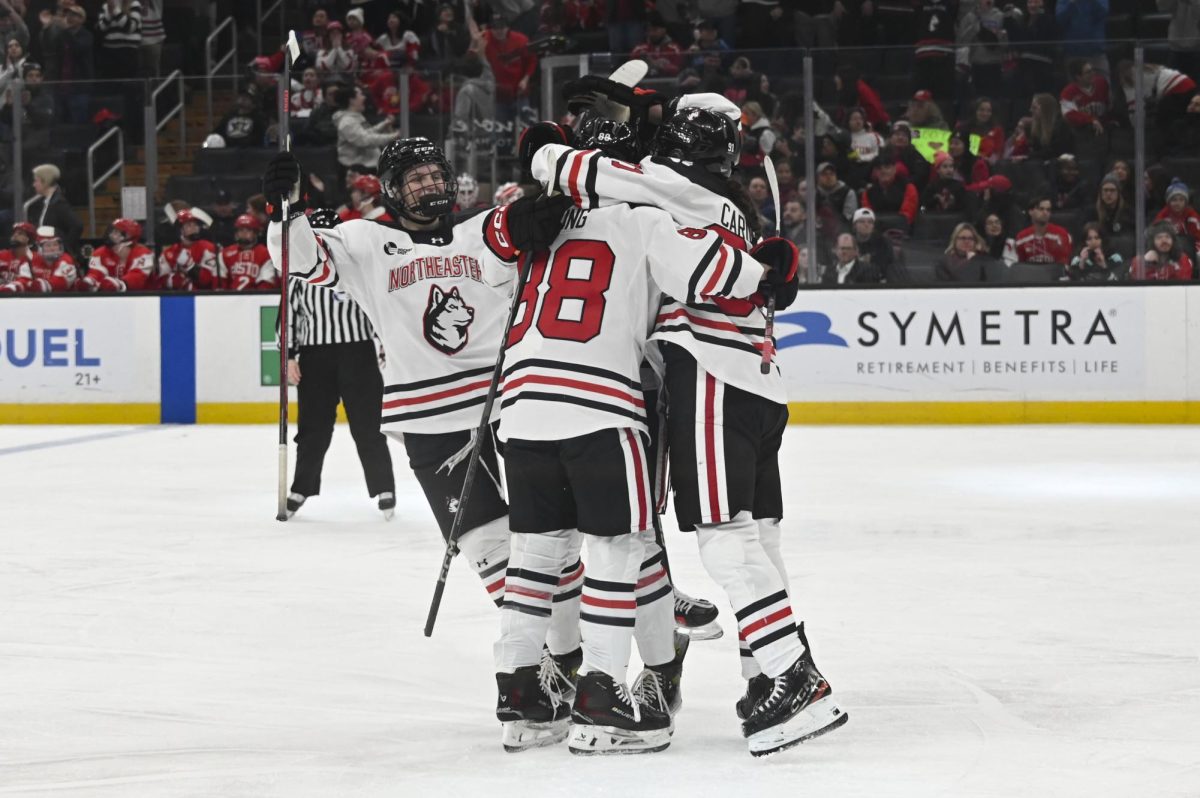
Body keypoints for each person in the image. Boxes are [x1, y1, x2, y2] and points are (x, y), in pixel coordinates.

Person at [526, 96, 847, 757]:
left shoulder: (670, 186)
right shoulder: (736, 205)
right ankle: (764, 679)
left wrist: (549, 144)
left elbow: (565, 169)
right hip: (762, 380)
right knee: (761, 540)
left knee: (724, 540)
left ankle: (794, 674)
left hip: (709, 368)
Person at [262, 137, 581, 712]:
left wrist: (548, 202)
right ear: (390, 190)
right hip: (430, 420)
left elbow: (525, 226)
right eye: (413, 179)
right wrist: (286, 208)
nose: (427, 186)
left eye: (435, 175)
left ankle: (566, 658)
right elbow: (297, 259)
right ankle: (537, 668)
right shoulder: (365, 240)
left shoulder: (482, 229)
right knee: (493, 553)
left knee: (553, 546)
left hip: (512, 403)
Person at [77, 218, 155, 291]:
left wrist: (120, 283)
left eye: (116, 232)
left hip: (143, 299)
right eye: (112, 231)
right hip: (110, 299)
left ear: (128, 237)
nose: (110, 235)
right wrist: (90, 281)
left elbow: (137, 277)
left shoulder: (143, 254)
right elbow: (96, 272)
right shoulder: (100, 252)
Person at [334, 86, 398, 172]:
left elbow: (367, 133)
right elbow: (365, 140)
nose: (364, 97)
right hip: (356, 170)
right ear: (351, 100)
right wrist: (393, 136)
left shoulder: (356, 117)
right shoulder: (347, 122)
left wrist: (384, 124)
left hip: (368, 165)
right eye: (360, 95)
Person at [24, 163, 81, 253]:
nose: (34, 185)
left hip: (57, 259)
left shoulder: (59, 204)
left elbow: (77, 226)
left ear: (45, 181)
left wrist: (64, 249)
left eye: (36, 181)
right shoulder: (48, 202)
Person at [158, 208, 219, 290]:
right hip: (176, 299)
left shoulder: (209, 248)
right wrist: (179, 281)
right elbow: (161, 282)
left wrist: (190, 265)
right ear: (180, 230)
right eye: (189, 225)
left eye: (196, 225)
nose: (194, 228)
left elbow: (207, 280)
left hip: (203, 298)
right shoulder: (168, 253)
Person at [219, 214, 277, 291]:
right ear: (236, 233)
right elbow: (220, 283)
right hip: (230, 298)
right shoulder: (225, 253)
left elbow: (266, 283)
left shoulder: (265, 253)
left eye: (248, 230)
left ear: (256, 233)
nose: (244, 233)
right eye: (241, 230)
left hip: (256, 298)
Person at [860, 155, 919, 230]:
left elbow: (907, 217)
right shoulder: (867, 193)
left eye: (887, 167)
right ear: (875, 172)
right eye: (879, 168)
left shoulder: (909, 188)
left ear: (894, 169)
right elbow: (868, 218)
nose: (883, 171)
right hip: (876, 233)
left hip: (904, 234)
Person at [1015, 195, 1073, 267]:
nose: (1045, 212)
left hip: (1054, 276)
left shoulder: (1061, 234)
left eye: (1048, 210)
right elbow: (1019, 266)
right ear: (1030, 211)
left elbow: (1063, 265)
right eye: (1041, 209)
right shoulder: (1021, 237)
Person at [849, 207, 900, 281]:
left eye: (870, 222)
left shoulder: (883, 243)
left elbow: (884, 268)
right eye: (862, 221)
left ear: (873, 226)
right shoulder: (848, 242)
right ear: (854, 226)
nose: (866, 225)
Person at [0, 223, 43, 293]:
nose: (15, 235)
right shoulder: (2, 255)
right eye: (14, 233)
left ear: (28, 239)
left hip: (25, 298)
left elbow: (27, 283)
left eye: (20, 233)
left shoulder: (35, 258)